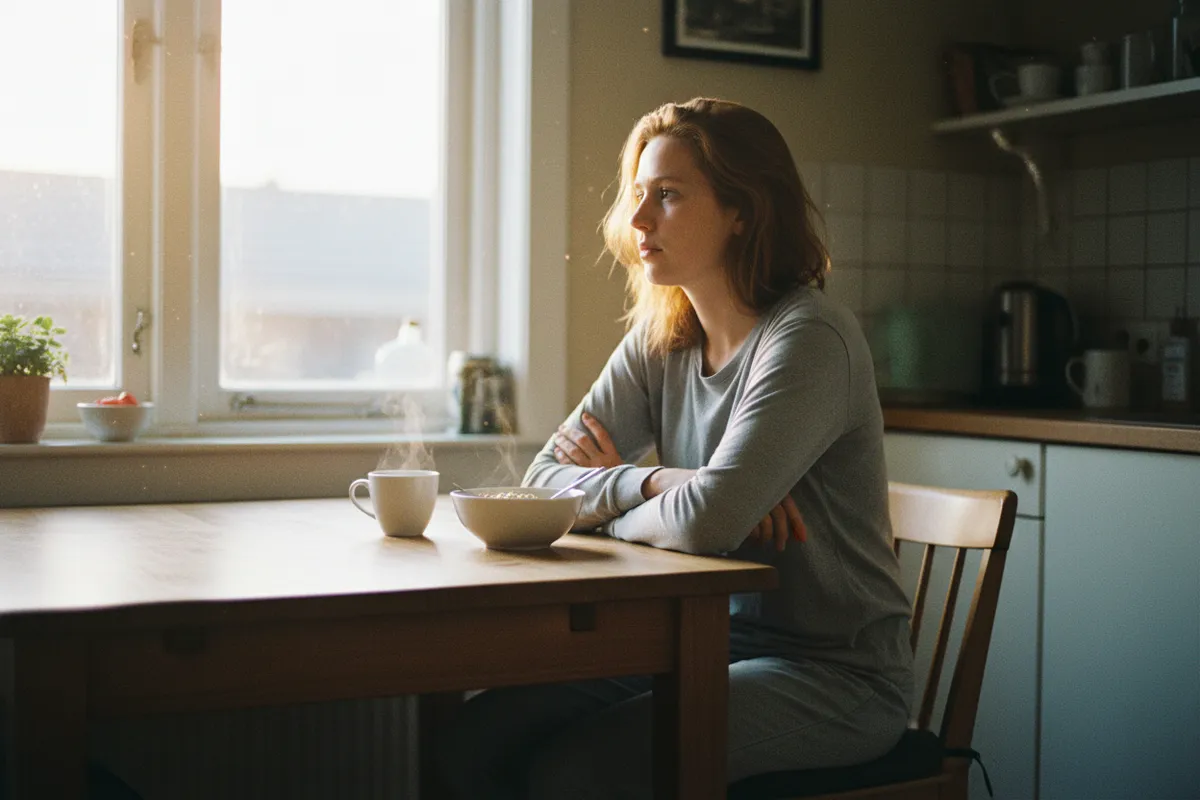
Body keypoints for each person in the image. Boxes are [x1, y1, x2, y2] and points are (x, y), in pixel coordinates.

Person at [436, 97, 914, 800]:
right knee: (471, 741)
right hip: (703, 644)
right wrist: (660, 483)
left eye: (667, 195)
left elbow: (708, 521)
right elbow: (543, 481)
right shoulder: (666, 335)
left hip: (835, 676)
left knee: (580, 773)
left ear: (742, 210)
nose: (637, 222)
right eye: (639, 195)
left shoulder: (809, 339)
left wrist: (662, 500)